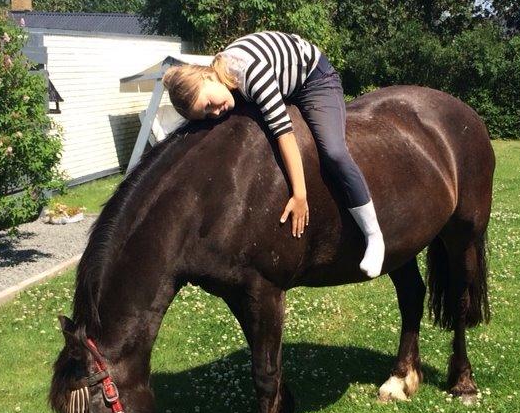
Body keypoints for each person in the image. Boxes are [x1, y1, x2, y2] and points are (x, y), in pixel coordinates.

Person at [161, 31, 385, 278]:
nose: (215, 112)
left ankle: (374, 236)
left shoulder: (250, 75)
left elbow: (284, 133)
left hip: (314, 79)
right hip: (285, 82)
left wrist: (299, 195)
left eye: (209, 104)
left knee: (334, 152)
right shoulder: (224, 81)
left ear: (208, 77)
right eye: (206, 115)